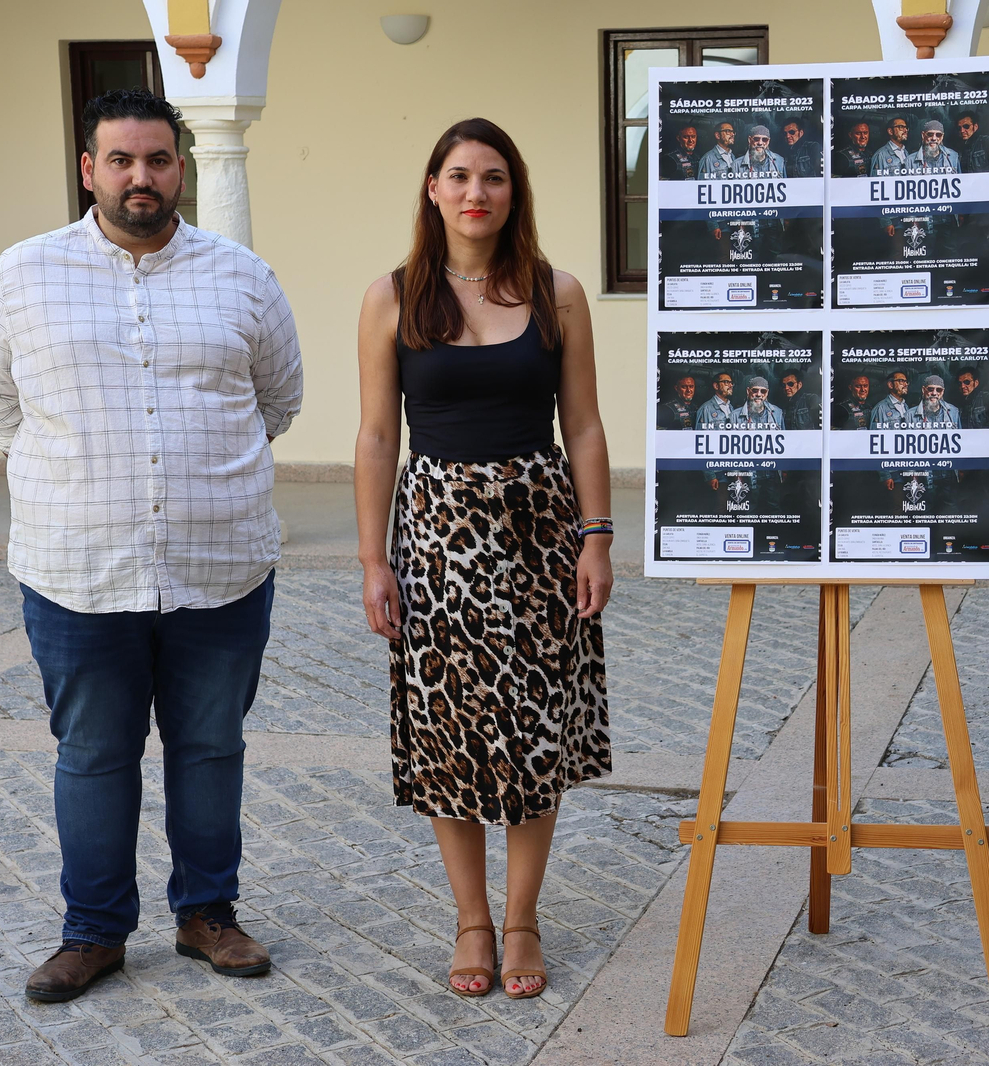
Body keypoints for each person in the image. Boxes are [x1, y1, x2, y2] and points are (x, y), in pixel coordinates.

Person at [0, 88, 303, 1003]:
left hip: (220, 567)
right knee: (92, 753)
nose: (140, 177)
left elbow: (278, 401)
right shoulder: (21, 275)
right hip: (76, 572)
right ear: (89, 170)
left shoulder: (241, 275)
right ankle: (94, 933)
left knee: (209, 747)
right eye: (120, 160)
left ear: (180, 167)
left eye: (157, 159)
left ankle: (207, 916)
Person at [354, 117, 614, 1001]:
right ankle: (471, 919)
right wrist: (372, 559)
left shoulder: (559, 292)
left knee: (536, 728)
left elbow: (581, 423)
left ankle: (522, 918)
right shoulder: (391, 297)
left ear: (515, 190)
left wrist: (598, 536)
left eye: (494, 176)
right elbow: (376, 435)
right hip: (435, 537)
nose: (477, 192)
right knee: (447, 731)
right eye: (459, 175)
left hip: (540, 533)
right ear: (433, 189)